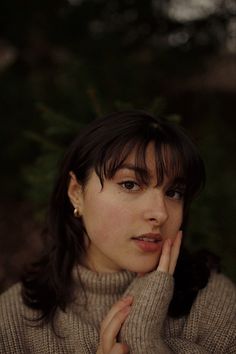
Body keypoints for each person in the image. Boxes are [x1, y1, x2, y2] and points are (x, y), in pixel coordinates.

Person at [0, 110, 235, 354]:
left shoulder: (215, 303)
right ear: (76, 193)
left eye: (173, 192)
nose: (160, 213)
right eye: (130, 184)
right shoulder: (11, 323)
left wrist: (143, 340)